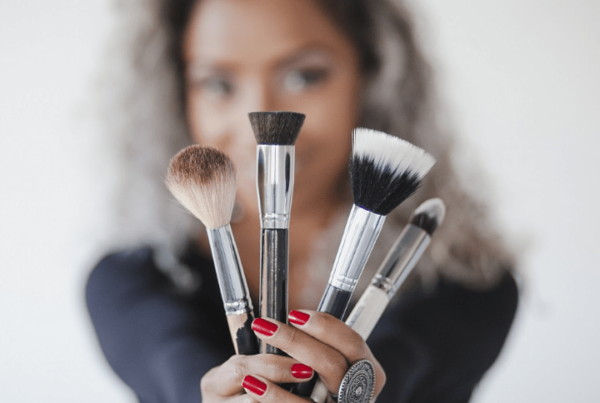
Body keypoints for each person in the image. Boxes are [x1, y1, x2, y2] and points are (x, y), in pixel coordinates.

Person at [86, 0, 519, 402]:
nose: (255, 114)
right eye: (217, 83)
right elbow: (173, 366)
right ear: (177, 95)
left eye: (304, 76)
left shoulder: (467, 289)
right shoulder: (131, 281)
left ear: (372, 79)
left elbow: (409, 358)